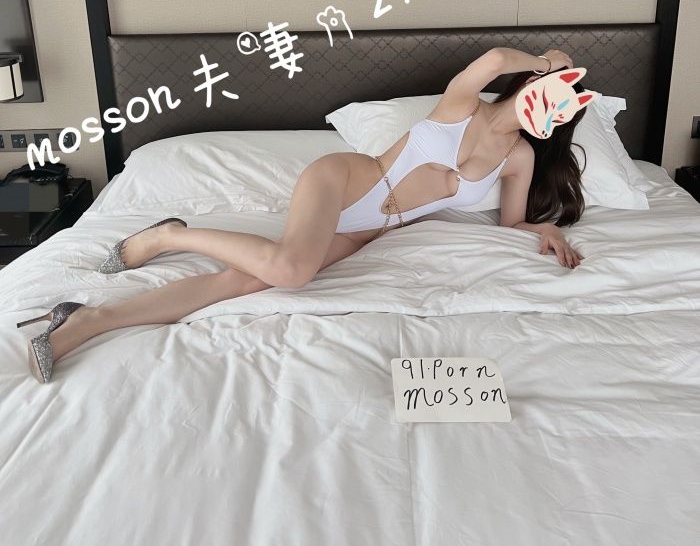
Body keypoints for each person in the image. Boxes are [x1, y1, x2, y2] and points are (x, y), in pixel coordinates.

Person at [18, 46, 591, 382]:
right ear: (532, 80)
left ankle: (89, 320)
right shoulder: (461, 104)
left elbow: (509, 225)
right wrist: (547, 59)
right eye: (548, 86)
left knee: (245, 281)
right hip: (342, 182)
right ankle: (168, 236)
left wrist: (542, 228)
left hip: (368, 230)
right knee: (291, 271)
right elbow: (494, 60)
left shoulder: (519, 158)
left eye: (562, 103)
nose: (550, 100)